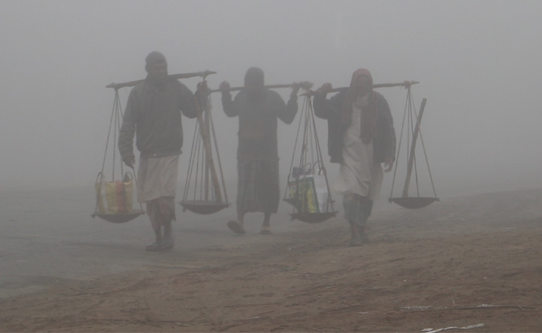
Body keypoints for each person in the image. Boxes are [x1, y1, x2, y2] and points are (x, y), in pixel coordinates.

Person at [119, 51, 203, 251]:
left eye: (164, 68)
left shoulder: (176, 88)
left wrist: (200, 95)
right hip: (148, 152)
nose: (161, 72)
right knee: (151, 199)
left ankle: (168, 234)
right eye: (157, 69)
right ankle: (159, 237)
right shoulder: (139, 93)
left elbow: (192, 111)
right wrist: (125, 150)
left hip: (169, 151)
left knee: (164, 196)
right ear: (148, 70)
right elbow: (128, 123)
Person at [313, 69, 395, 246]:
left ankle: (362, 228)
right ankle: (354, 233)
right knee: (351, 195)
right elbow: (321, 111)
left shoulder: (379, 101)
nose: (362, 87)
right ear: (353, 84)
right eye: (359, 84)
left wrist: (389, 154)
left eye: (365, 84)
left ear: (370, 85)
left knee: (366, 196)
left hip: (372, 156)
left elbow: (388, 128)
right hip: (349, 154)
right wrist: (320, 94)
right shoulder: (342, 99)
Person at [220, 67, 299, 235]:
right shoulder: (241, 96)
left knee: (268, 187)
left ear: (262, 84)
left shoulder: (272, 98)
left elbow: (288, 117)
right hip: (246, 150)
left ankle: (266, 222)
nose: (251, 87)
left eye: (255, 84)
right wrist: (225, 94)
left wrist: (293, 97)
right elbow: (230, 111)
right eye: (248, 84)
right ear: (245, 84)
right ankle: (240, 221)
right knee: (244, 188)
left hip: (267, 151)